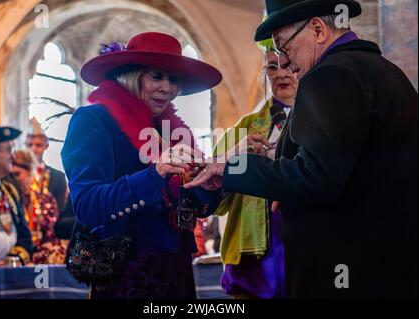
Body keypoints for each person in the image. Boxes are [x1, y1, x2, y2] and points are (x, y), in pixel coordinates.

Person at [186, 0, 418, 298]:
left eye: (284, 46)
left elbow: (315, 178)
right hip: (392, 263)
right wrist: (277, 160)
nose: (287, 63)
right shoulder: (389, 73)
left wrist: (232, 167)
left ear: (318, 30)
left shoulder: (327, 75)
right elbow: (348, 164)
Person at [61, 32, 222, 299]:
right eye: (157, 76)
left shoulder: (172, 132)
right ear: (131, 76)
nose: (167, 88)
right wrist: (155, 174)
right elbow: (87, 207)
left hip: (177, 274)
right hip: (124, 275)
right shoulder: (93, 120)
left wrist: (210, 184)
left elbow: (196, 207)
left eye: (173, 79)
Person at [213, 34, 298, 299]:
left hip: (308, 244)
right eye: (272, 67)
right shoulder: (243, 128)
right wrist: (234, 159)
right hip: (256, 252)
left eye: (287, 65)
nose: (281, 74)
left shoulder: (324, 120)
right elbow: (214, 198)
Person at [0, 126, 34, 267]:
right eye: (10, 150)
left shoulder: (10, 190)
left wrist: (11, 261)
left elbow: (25, 238)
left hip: (9, 271)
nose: (14, 156)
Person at [11, 150, 67, 264]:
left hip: (38, 251)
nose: (14, 179)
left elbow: (49, 233)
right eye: (11, 175)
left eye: (17, 174)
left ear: (30, 174)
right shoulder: (7, 195)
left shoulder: (45, 199)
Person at [26, 117, 68, 212]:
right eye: (29, 145)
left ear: (46, 146)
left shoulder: (59, 177)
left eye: (38, 145)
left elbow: (61, 211)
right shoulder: (17, 174)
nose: (33, 149)